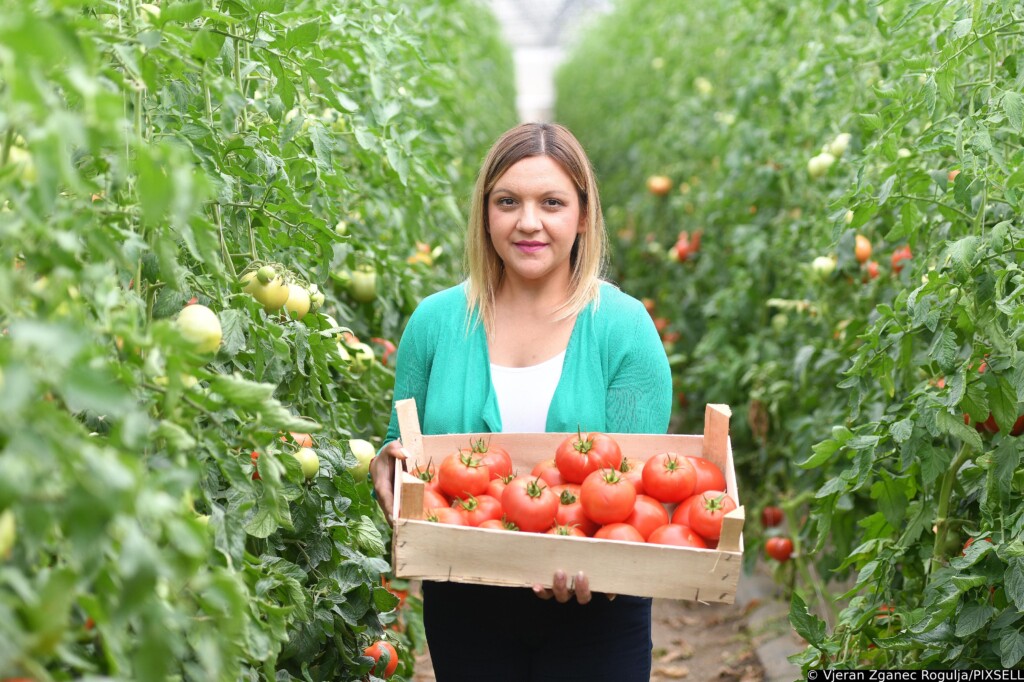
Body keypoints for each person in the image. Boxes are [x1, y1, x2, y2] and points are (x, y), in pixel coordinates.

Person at [370, 122, 672, 681]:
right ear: (485, 214)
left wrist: (588, 552)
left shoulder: (625, 328)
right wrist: (387, 466)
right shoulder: (434, 324)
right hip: (464, 598)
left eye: (551, 203)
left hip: (598, 610)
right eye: (507, 201)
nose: (528, 222)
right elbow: (405, 451)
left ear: (583, 216)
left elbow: (639, 488)